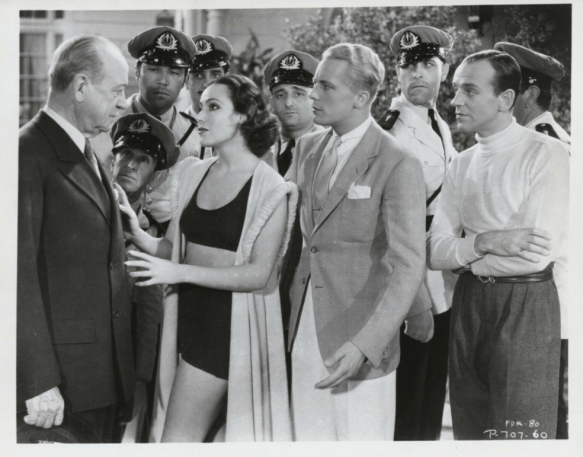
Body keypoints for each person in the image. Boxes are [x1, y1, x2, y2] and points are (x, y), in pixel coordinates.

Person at [118, 74, 297, 442]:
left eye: (213, 107)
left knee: (174, 441)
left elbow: (259, 274)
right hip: (185, 322)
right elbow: (171, 249)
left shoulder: (271, 187)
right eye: (201, 106)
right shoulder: (193, 172)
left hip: (226, 330)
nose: (200, 115)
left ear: (243, 116)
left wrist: (178, 272)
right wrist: (136, 232)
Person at [285, 43, 428, 440]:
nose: (312, 95)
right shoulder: (307, 148)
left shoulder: (397, 161)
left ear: (361, 98)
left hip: (361, 337)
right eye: (315, 84)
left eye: (325, 87)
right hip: (305, 329)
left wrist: (366, 344)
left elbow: (408, 265)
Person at [427, 50, 569, 440]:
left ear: (506, 99)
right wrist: (487, 242)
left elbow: (534, 256)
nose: (455, 101)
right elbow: (434, 250)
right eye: (456, 89)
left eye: (470, 90)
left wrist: (464, 256)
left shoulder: (547, 153)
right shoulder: (462, 163)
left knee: (519, 436)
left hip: (525, 304)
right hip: (469, 305)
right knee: (471, 432)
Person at [17, 35, 134, 443]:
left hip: (98, 378)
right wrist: (37, 381)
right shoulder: (26, 154)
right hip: (58, 390)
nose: (123, 103)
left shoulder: (83, 149)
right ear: (81, 86)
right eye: (117, 91)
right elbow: (14, 275)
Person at [378, 25, 457, 441]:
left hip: (441, 279)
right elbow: (388, 226)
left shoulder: (438, 124)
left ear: (445, 70)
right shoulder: (392, 132)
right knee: (408, 405)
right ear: (397, 73)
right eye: (409, 67)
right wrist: (415, 298)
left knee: (430, 399)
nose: (418, 74)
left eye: (427, 64)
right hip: (410, 285)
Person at [493, 42, 570, 440]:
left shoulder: (545, 145)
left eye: (509, 88)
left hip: (542, 301)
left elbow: (538, 238)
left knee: (536, 413)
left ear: (530, 94)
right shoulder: (530, 141)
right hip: (531, 300)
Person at [109, 113, 180, 442]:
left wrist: (141, 377)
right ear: (112, 159)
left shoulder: (158, 233)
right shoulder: (86, 214)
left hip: (135, 364)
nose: (131, 165)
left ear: (155, 176)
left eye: (143, 160)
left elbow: (152, 315)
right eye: (125, 154)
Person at [93, 26, 200, 232]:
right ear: (137, 72)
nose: (163, 81)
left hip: (171, 242)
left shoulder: (197, 137)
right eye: (154, 69)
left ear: (185, 80)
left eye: (174, 72)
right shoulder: (104, 122)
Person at [263, 50, 324, 176]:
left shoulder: (331, 148)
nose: (288, 103)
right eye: (280, 95)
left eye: (298, 94)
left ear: (316, 99)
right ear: (272, 103)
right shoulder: (258, 149)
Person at [184, 34, 233, 160]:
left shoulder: (240, 131)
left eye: (215, 75)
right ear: (186, 81)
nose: (207, 84)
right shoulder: (173, 131)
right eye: (198, 75)